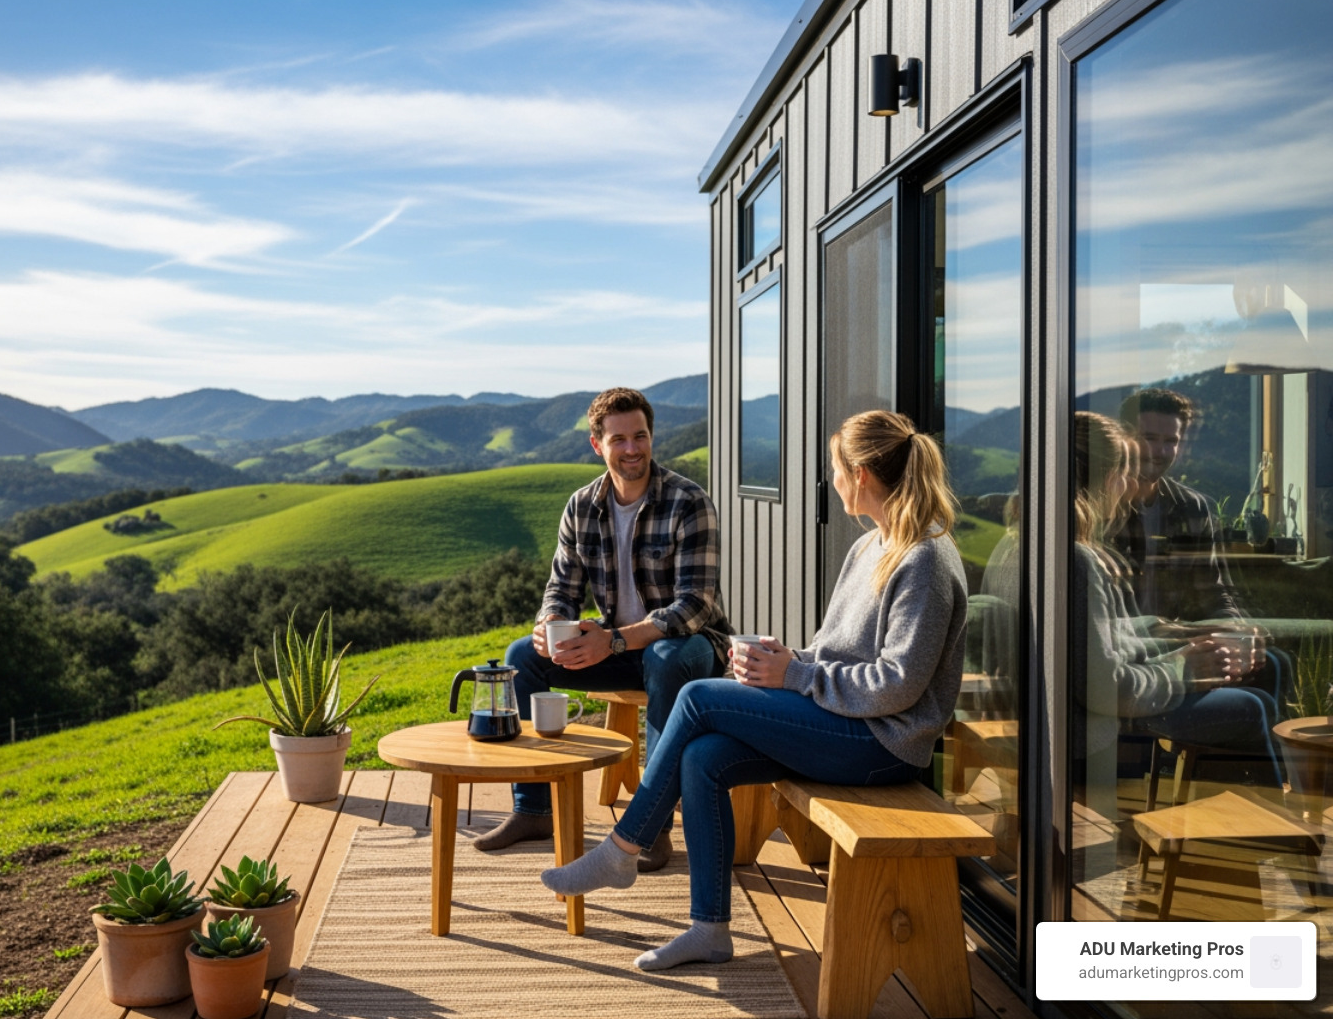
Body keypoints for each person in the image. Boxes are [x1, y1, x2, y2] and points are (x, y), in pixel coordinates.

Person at [539, 410, 968, 970]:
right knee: (704, 756)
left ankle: (622, 848)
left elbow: (898, 686)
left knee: (697, 697)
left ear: (861, 475)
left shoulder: (924, 560)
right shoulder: (871, 547)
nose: (831, 480)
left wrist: (794, 676)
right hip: (844, 719)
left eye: (835, 469)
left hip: (883, 744)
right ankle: (710, 929)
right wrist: (785, 660)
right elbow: (834, 650)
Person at [474, 386, 732, 872]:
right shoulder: (581, 506)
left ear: (652, 437)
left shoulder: (688, 501)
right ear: (598, 445)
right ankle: (533, 810)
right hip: (616, 647)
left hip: (690, 648)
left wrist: (614, 640)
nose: (632, 448)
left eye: (640, 436)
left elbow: (696, 605)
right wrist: (548, 623)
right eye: (619, 439)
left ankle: (651, 829)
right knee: (519, 659)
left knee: (666, 657)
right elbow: (560, 589)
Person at [1069, 412, 1281, 806]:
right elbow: (1107, 687)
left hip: (1129, 672)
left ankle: (1232, 820)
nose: (1128, 484)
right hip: (1101, 720)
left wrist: (1190, 632)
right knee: (1254, 707)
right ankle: (1255, 830)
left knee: (1270, 663)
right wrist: (1182, 664)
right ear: (1103, 478)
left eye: (1171, 441)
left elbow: (1100, 632)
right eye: (1122, 472)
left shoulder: (1045, 545)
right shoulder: (1080, 558)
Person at [1115, 388, 1241, 623]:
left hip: (1175, 643)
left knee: (1274, 659)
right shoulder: (1100, 507)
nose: (1159, 452)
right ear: (1124, 440)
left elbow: (1213, 592)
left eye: (1170, 441)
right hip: (1120, 648)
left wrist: (1235, 633)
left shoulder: (1191, 508)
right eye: (1149, 438)